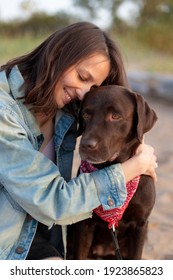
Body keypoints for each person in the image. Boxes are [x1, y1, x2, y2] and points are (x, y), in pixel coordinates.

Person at [0, 21, 157, 260]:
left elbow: (119, 114)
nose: (85, 94)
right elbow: (52, 201)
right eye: (82, 77)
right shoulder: (4, 111)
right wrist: (134, 167)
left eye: (93, 86)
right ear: (57, 56)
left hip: (35, 233)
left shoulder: (65, 108)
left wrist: (140, 153)